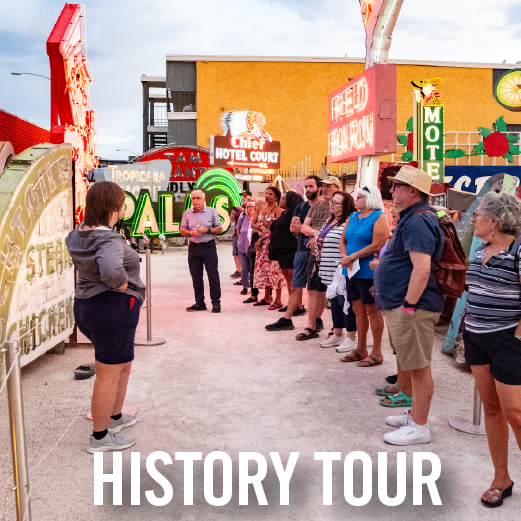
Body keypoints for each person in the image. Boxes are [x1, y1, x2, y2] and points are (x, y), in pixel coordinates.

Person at [66, 181, 145, 453]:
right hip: (111, 308)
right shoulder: (107, 237)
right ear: (115, 206)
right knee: (108, 374)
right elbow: (112, 271)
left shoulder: (78, 233)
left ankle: (115, 416)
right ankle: (99, 437)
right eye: (123, 203)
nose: (125, 207)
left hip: (88, 305)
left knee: (120, 365)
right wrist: (122, 285)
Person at [373, 165, 444, 446]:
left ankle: (419, 426)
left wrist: (409, 305)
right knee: (414, 365)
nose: (391, 190)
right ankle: (415, 414)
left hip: (414, 306)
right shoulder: (412, 217)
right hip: (408, 304)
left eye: (397, 186)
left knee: (419, 367)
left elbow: (422, 269)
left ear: (413, 190)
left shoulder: (417, 221)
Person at [462, 191, 521, 508]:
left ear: (494, 220)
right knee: (493, 409)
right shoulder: (480, 248)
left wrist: (516, 339)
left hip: (506, 341)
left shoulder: (518, 248)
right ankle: (502, 479)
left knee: (516, 413)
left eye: (479, 213)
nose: (474, 217)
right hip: (476, 337)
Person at [265, 176, 321, 331]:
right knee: (296, 286)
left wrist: (304, 228)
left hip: (318, 251)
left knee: (315, 289)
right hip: (301, 250)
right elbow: (293, 228)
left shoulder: (324, 207)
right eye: (306, 186)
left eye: (311, 186)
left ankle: (317, 320)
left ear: (319, 187)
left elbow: (322, 231)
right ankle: (287, 319)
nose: (308, 189)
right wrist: (310, 230)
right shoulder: (301, 207)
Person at [296, 176, 341, 340]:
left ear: (338, 187)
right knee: (313, 289)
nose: (326, 189)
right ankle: (312, 325)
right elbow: (304, 227)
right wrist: (317, 234)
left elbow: (344, 226)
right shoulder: (316, 205)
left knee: (335, 292)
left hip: (334, 255)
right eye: (324, 186)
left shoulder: (344, 205)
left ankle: (337, 328)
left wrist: (320, 237)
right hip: (315, 254)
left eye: (330, 186)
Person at [317, 191, 358, 352]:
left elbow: (348, 242)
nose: (331, 204)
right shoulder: (329, 220)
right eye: (331, 201)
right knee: (334, 302)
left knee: (344, 302)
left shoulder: (349, 221)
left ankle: (350, 337)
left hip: (340, 267)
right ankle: (337, 332)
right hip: (327, 267)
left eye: (336, 202)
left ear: (345, 205)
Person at [181, 190, 223, 313]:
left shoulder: (212, 211)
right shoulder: (188, 213)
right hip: (193, 247)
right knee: (196, 276)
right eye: (193, 198)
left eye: (198, 198)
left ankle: (216, 303)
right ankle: (200, 302)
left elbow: (220, 229)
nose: (195, 201)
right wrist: (190, 232)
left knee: (213, 275)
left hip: (208, 246)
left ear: (204, 199)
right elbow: (182, 230)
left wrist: (207, 230)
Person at [251, 186, 286, 308]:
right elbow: (252, 224)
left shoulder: (279, 210)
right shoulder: (260, 208)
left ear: (276, 197)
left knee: (275, 270)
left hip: (273, 243)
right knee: (264, 270)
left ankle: (278, 299)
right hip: (262, 246)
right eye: (266, 193)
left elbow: (276, 229)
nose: (267, 195)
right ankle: (266, 297)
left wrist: (262, 238)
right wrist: (261, 228)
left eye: (270, 194)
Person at [268, 191, 303, 300]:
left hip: (291, 249)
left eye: (283, 198)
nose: (280, 200)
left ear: (290, 201)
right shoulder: (284, 214)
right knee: (287, 278)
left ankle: (297, 305)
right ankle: (291, 303)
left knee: (293, 278)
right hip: (281, 250)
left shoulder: (295, 215)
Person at [243, 198, 264, 304]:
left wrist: (260, 231)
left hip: (263, 245)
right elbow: (250, 232)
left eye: (262, 204)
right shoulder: (254, 217)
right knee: (253, 270)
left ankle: (268, 295)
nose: (259, 205)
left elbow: (265, 230)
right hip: (253, 245)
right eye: (258, 204)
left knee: (264, 270)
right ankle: (253, 294)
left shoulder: (267, 216)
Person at [237, 200, 256, 295]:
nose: (250, 208)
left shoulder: (257, 219)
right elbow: (238, 231)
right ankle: (245, 286)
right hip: (241, 245)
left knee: (252, 268)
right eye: (248, 207)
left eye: (252, 206)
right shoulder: (242, 218)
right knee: (244, 268)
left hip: (252, 247)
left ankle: (253, 286)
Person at [230, 204, 244, 279]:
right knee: (235, 253)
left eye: (246, 196)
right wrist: (232, 214)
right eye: (243, 196)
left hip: (245, 235)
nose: (244, 198)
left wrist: (242, 210)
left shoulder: (251, 206)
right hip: (236, 234)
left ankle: (245, 271)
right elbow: (232, 220)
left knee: (245, 253)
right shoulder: (238, 208)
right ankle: (238, 270)